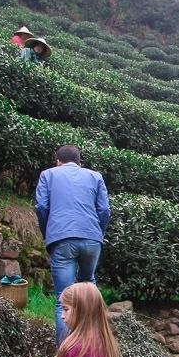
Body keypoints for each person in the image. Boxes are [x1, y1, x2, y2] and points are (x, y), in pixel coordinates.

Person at [35, 145, 111, 345]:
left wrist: (48, 233)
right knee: (89, 290)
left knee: (64, 299)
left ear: (58, 161)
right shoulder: (95, 176)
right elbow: (104, 210)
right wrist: (97, 234)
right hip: (92, 239)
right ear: (79, 163)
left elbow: (42, 207)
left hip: (61, 238)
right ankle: (95, 347)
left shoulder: (48, 175)